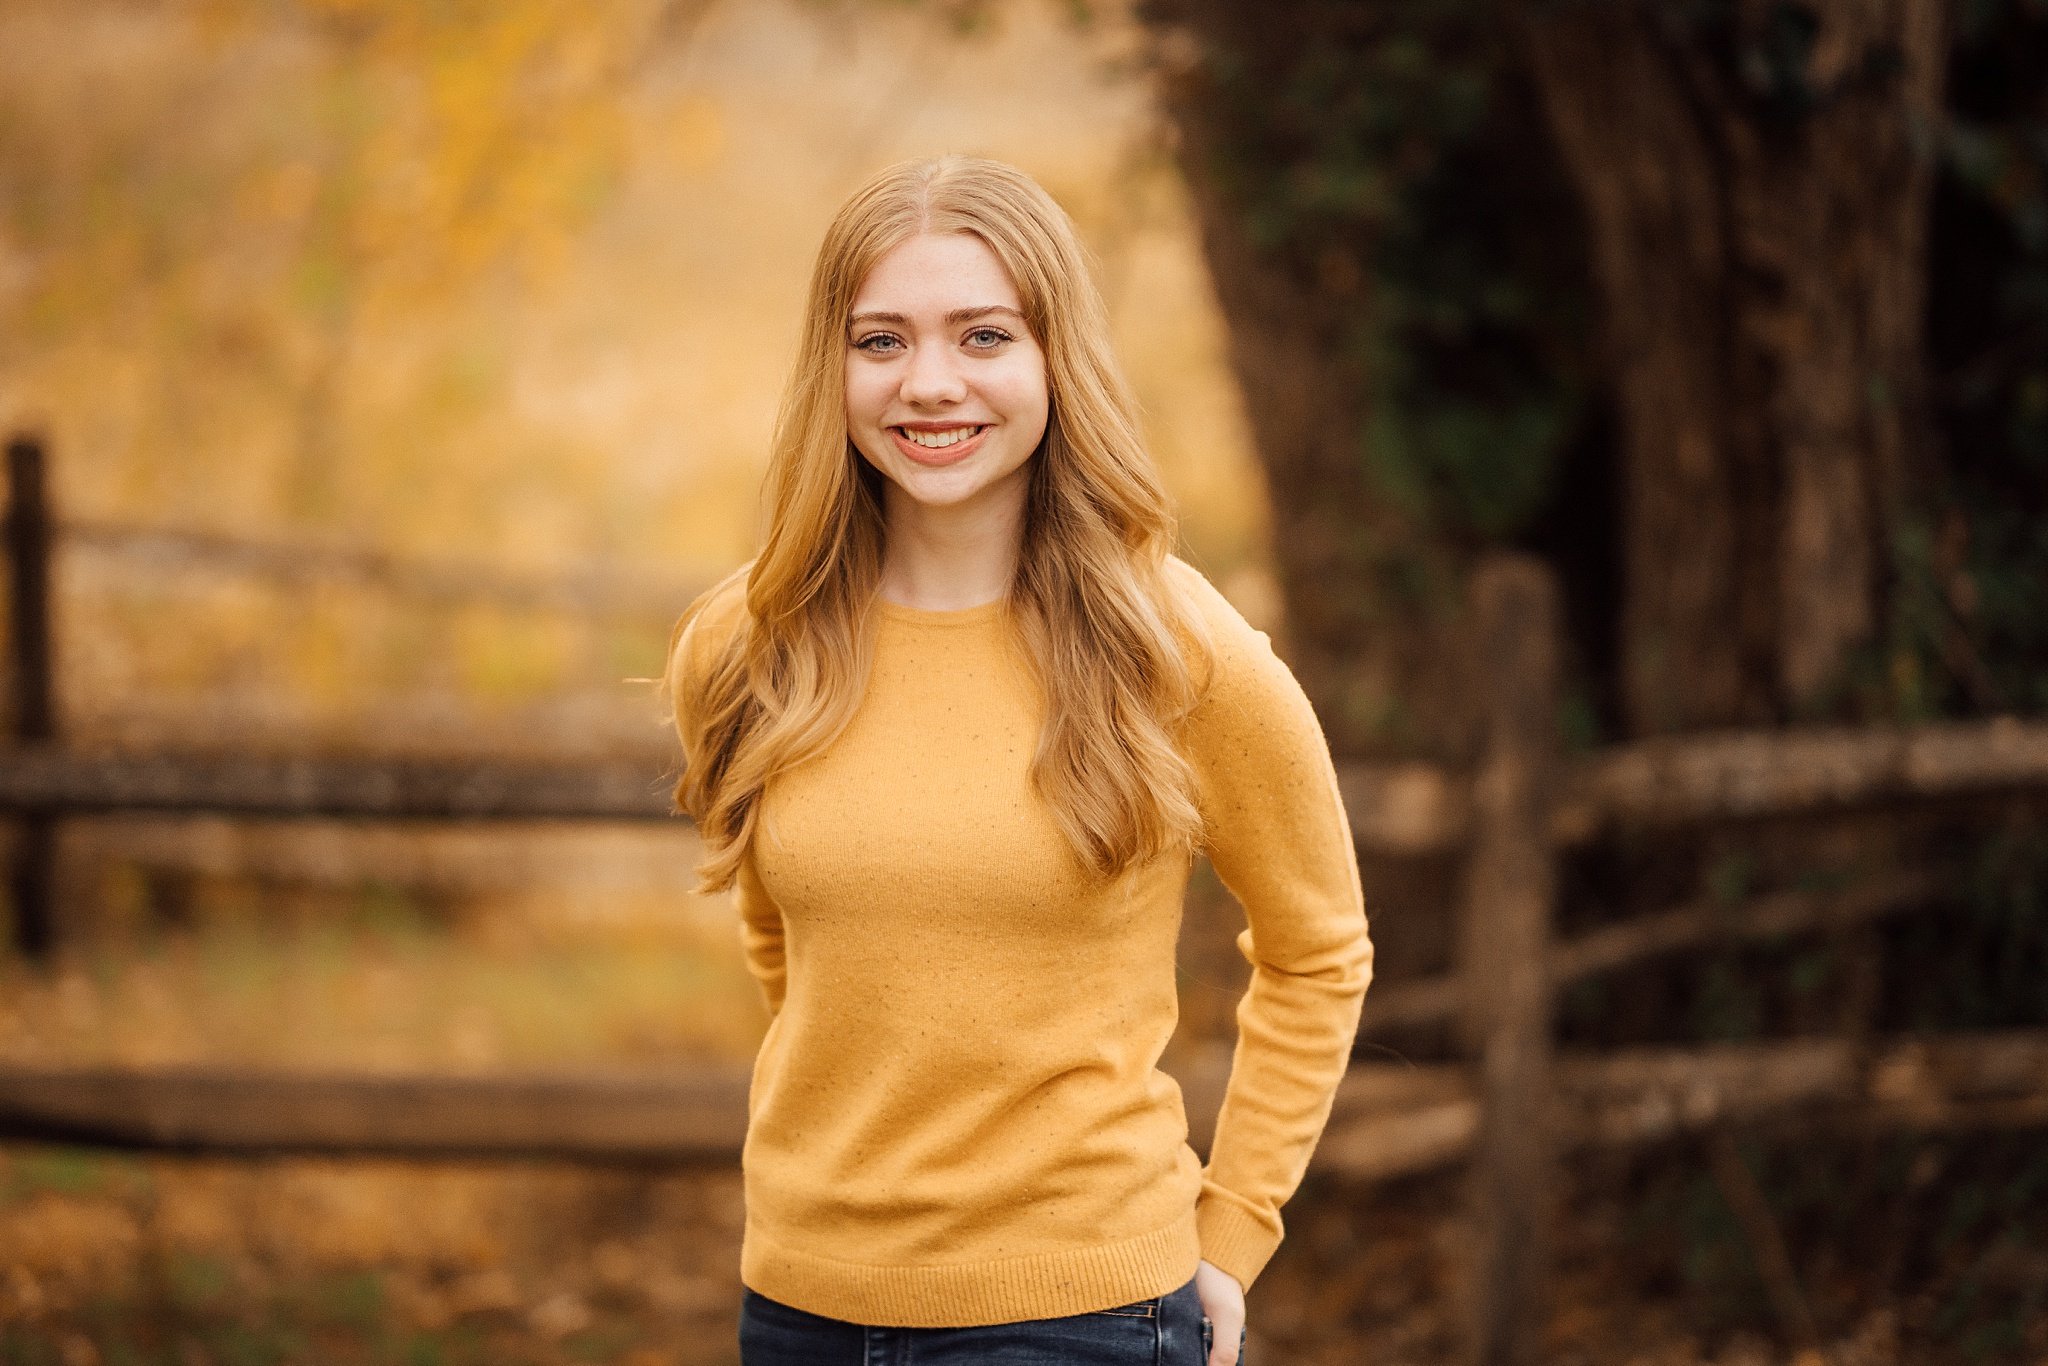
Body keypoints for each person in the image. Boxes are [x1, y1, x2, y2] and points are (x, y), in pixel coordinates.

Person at [666, 155, 1371, 1366]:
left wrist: (1233, 1229)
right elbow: (787, 935)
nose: (928, 382)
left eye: (981, 335)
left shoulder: (1175, 648)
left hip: (1078, 1314)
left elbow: (1317, 953)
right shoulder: (747, 643)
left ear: (1055, 360)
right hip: (797, 1307)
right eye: (879, 339)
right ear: (828, 368)